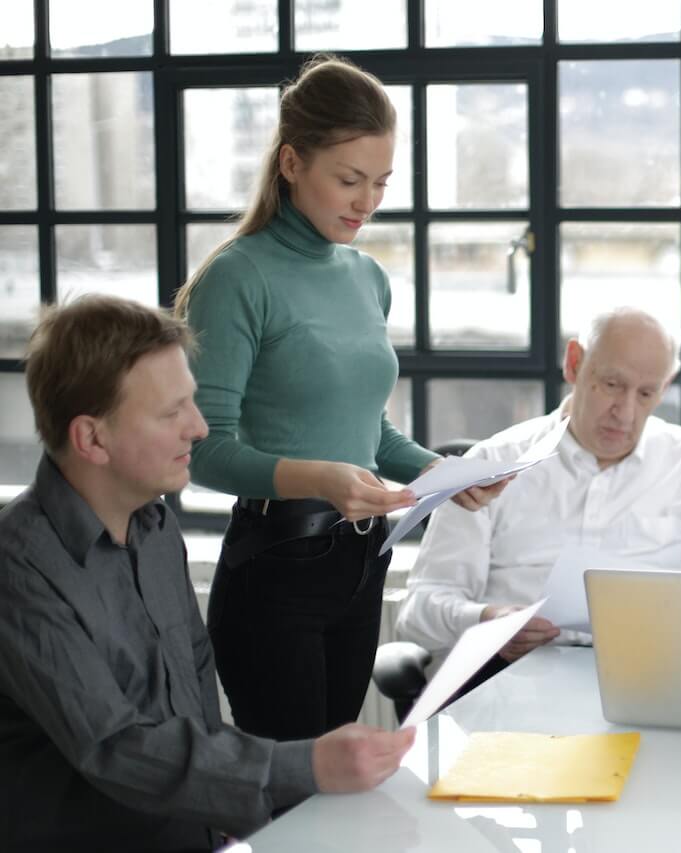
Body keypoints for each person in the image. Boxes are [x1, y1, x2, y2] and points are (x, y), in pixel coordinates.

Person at [0, 296, 414, 851]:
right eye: (172, 413)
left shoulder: (155, 526)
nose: (198, 428)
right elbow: (115, 747)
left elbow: (193, 698)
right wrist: (305, 765)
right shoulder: (16, 564)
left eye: (191, 403)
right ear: (91, 439)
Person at [173, 56, 504, 742]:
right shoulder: (238, 278)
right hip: (276, 569)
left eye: (380, 182)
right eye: (348, 179)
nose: (367, 201)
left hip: (362, 560)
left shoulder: (366, 277)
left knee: (340, 789)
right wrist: (317, 477)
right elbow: (203, 448)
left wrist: (433, 470)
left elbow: (365, 428)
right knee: (296, 802)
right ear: (292, 163)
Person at [395, 307, 681, 681]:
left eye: (646, 393)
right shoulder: (494, 465)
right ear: (574, 363)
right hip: (514, 682)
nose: (624, 412)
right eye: (611, 384)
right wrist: (487, 620)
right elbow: (417, 615)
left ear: (665, 387)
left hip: (657, 681)